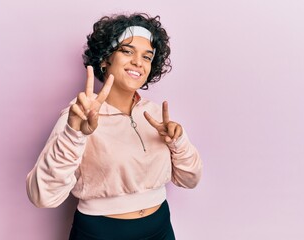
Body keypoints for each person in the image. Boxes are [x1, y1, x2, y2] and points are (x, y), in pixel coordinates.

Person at [26, 12, 203, 240]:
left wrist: (178, 143)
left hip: (160, 227)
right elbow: (42, 197)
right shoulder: (79, 116)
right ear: (105, 59)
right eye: (127, 51)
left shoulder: (157, 114)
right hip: (102, 233)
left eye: (147, 57)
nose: (138, 62)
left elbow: (191, 180)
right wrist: (74, 135)